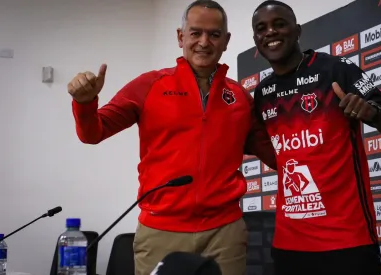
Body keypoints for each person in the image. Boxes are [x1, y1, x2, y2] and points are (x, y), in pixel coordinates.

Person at [67, 1, 276, 275]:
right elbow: (93, 133)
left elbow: (277, 154)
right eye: (195, 33)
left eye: (214, 34)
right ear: (181, 37)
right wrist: (85, 103)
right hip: (160, 231)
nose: (204, 42)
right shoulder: (149, 85)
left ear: (226, 41)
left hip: (225, 233)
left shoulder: (239, 98)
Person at [251, 1, 381, 275]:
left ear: (297, 31)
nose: (271, 32)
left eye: (279, 24)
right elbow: (283, 157)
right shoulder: (263, 92)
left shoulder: (337, 69)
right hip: (289, 243)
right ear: (256, 41)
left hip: (347, 240)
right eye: (262, 28)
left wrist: (371, 112)